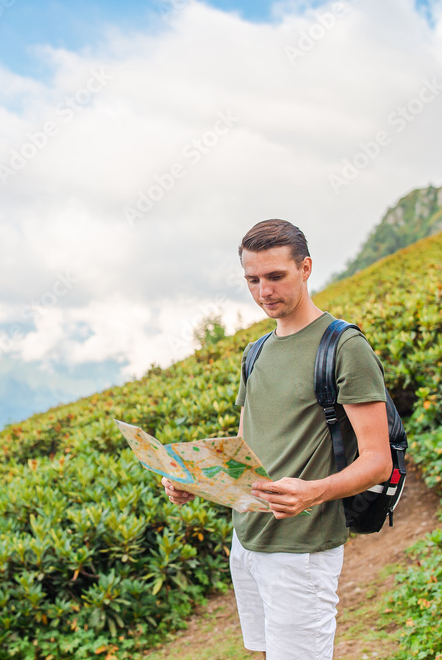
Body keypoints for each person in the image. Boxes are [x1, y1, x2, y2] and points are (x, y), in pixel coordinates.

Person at [161, 219, 392, 659]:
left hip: (302, 548)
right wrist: (195, 480)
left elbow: (378, 461)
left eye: (275, 276)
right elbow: (245, 453)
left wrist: (313, 492)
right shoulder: (256, 352)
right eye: (253, 279)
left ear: (305, 268)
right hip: (246, 539)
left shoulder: (344, 347)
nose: (264, 291)